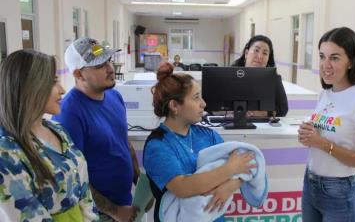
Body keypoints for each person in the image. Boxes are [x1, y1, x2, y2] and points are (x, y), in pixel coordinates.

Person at [143, 62, 256, 222]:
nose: (203, 103)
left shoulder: (207, 135)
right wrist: (230, 169)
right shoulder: (158, 146)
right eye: (196, 97)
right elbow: (183, 187)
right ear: (174, 105)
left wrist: (230, 186)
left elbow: (243, 166)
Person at [0, 50, 98, 221]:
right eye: (53, 82)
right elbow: (25, 215)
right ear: (29, 87)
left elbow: (84, 194)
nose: (62, 89)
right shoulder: (6, 153)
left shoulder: (58, 130)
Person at [297, 27, 355, 222]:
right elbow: (323, 136)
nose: (325, 65)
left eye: (334, 58)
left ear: (351, 61)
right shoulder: (325, 93)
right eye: (322, 56)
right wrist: (308, 135)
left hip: (340, 193)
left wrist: (322, 143)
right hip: (311, 184)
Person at [52, 38, 141, 221]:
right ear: (79, 74)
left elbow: (124, 142)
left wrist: (139, 184)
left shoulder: (114, 96)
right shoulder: (68, 113)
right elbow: (74, 177)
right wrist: (115, 212)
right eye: (100, 65)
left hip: (125, 204)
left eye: (109, 60)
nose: (110, 68)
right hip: (98, 213)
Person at [233, 35, 288, 117]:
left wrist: (256, 113)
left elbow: (283, 109)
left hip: (262, 127)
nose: (260, 56)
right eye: (256, 50)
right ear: (246, 53)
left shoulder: (274, 79)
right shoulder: (231, 74)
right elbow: (213, 108)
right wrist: (231, 112)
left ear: (268, 59)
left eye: (265, 53)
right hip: (231, 124)